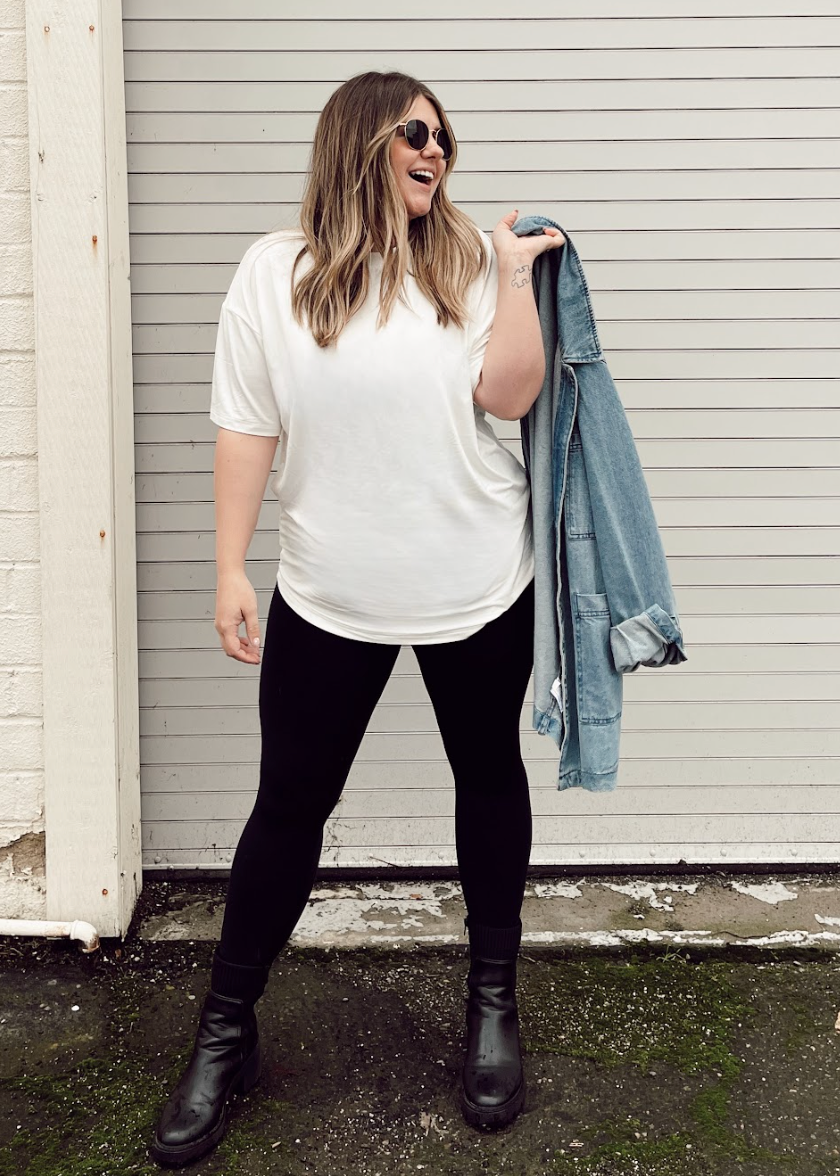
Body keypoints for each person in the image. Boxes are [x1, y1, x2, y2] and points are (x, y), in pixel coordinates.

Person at [150, 70, 564, 1167]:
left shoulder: (476, 258)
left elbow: (512, 396)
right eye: (418, 133)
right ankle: (224, 1035)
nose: (438, 151)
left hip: (478, 587)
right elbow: (247, 428)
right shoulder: (272, 274)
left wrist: (516, 280)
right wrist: (231, 568)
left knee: (488, 779)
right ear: (361, 139)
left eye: (446, 138)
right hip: (327, 595)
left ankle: (491, 1006)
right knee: (288, 805)